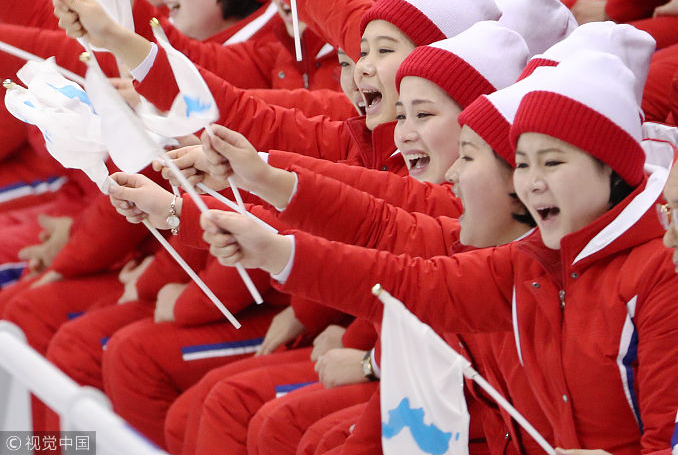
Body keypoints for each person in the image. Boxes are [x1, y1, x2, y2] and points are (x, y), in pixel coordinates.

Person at [196, 50, 678, 455]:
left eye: (552, 162)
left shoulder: (661, 271)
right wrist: (274, 247)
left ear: (611, 170)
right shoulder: (533, 257)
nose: (531, 181)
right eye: (524, 163)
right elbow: (403, 273)